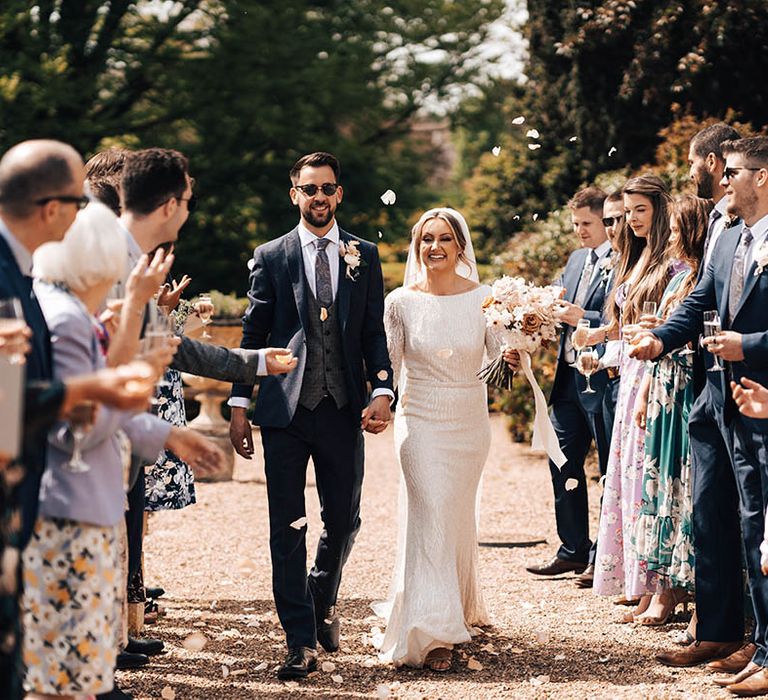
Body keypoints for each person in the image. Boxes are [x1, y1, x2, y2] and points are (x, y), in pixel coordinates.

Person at [22, 201, 223, 699]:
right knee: (64, 673)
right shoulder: (68, 320)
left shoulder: (73, 312)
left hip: (78, 502)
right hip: (71, 506)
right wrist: (141, 379)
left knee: (73, 668)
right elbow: (81, 428)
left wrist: (167, 433)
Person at [228, 151, 394, 680]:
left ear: (338, 194)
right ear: (294, 194)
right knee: (287, 526)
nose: (318, 197)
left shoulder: (363, 255)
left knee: (343, 519)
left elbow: (373, 332)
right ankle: (298, 640)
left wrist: (384, 390)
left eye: (327, 188)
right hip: (284, 410)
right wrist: (238, 404)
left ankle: (322, 597)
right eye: (309, 189)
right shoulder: (272, 255)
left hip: (343, 407)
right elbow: (252, 337)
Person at [630, 137, 768, 693]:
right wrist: (660, 340)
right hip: (714, 398)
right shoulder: (728, 235)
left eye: (733, 172)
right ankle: (718, 631)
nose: (722, 180)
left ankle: (765, 648)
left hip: (761, 394)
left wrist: (752, 346)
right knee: (711, 514)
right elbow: (702, 299)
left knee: (760, 522)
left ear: (762, 178)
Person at [374, 207, 519, 670]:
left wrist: (516, 359)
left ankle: (454, 607)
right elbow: (388, 368)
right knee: (430, 510)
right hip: (419, 421)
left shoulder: (486, 299)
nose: (434, 247)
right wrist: (376, 401)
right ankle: (433, 632)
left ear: (460, 246)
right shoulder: (399, 301)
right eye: (425, 240)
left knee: (453, 516)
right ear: (417, 247)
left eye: (443, 239)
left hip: (469, 422)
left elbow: (499, 363)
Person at [590, 175, 678, 618]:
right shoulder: (637, 257)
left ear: (660, 209)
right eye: (627, 212)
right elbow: (627, 328)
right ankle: (641, 583)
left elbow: (665, 327)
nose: (631, 220)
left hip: (656, 377)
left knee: (651, 482)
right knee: (628, 478)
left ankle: (663, 591)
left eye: (639, 210)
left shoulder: (672, 262)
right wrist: (603, 352)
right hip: (629, 375)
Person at [630, 195, 711, 625]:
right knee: (661, 487)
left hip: (685, 394)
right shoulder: (681, 281)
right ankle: (665, 586)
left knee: (686, 494)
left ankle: (693, 595)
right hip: (663, 389)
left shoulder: (703, 280)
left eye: (680, 230)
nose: (674, 236)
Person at [525, 188, 612, 587]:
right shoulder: (577, 259)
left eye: (587, 224)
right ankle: (573, 549)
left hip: (604, 380)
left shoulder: (625, 259)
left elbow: (619, 316)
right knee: (562, 462)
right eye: (575, 224)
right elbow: (554, 304)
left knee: (610, 470)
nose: (580, 232)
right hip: (567, 381)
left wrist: (585, 316)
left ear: (607, 221)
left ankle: (605, 557)